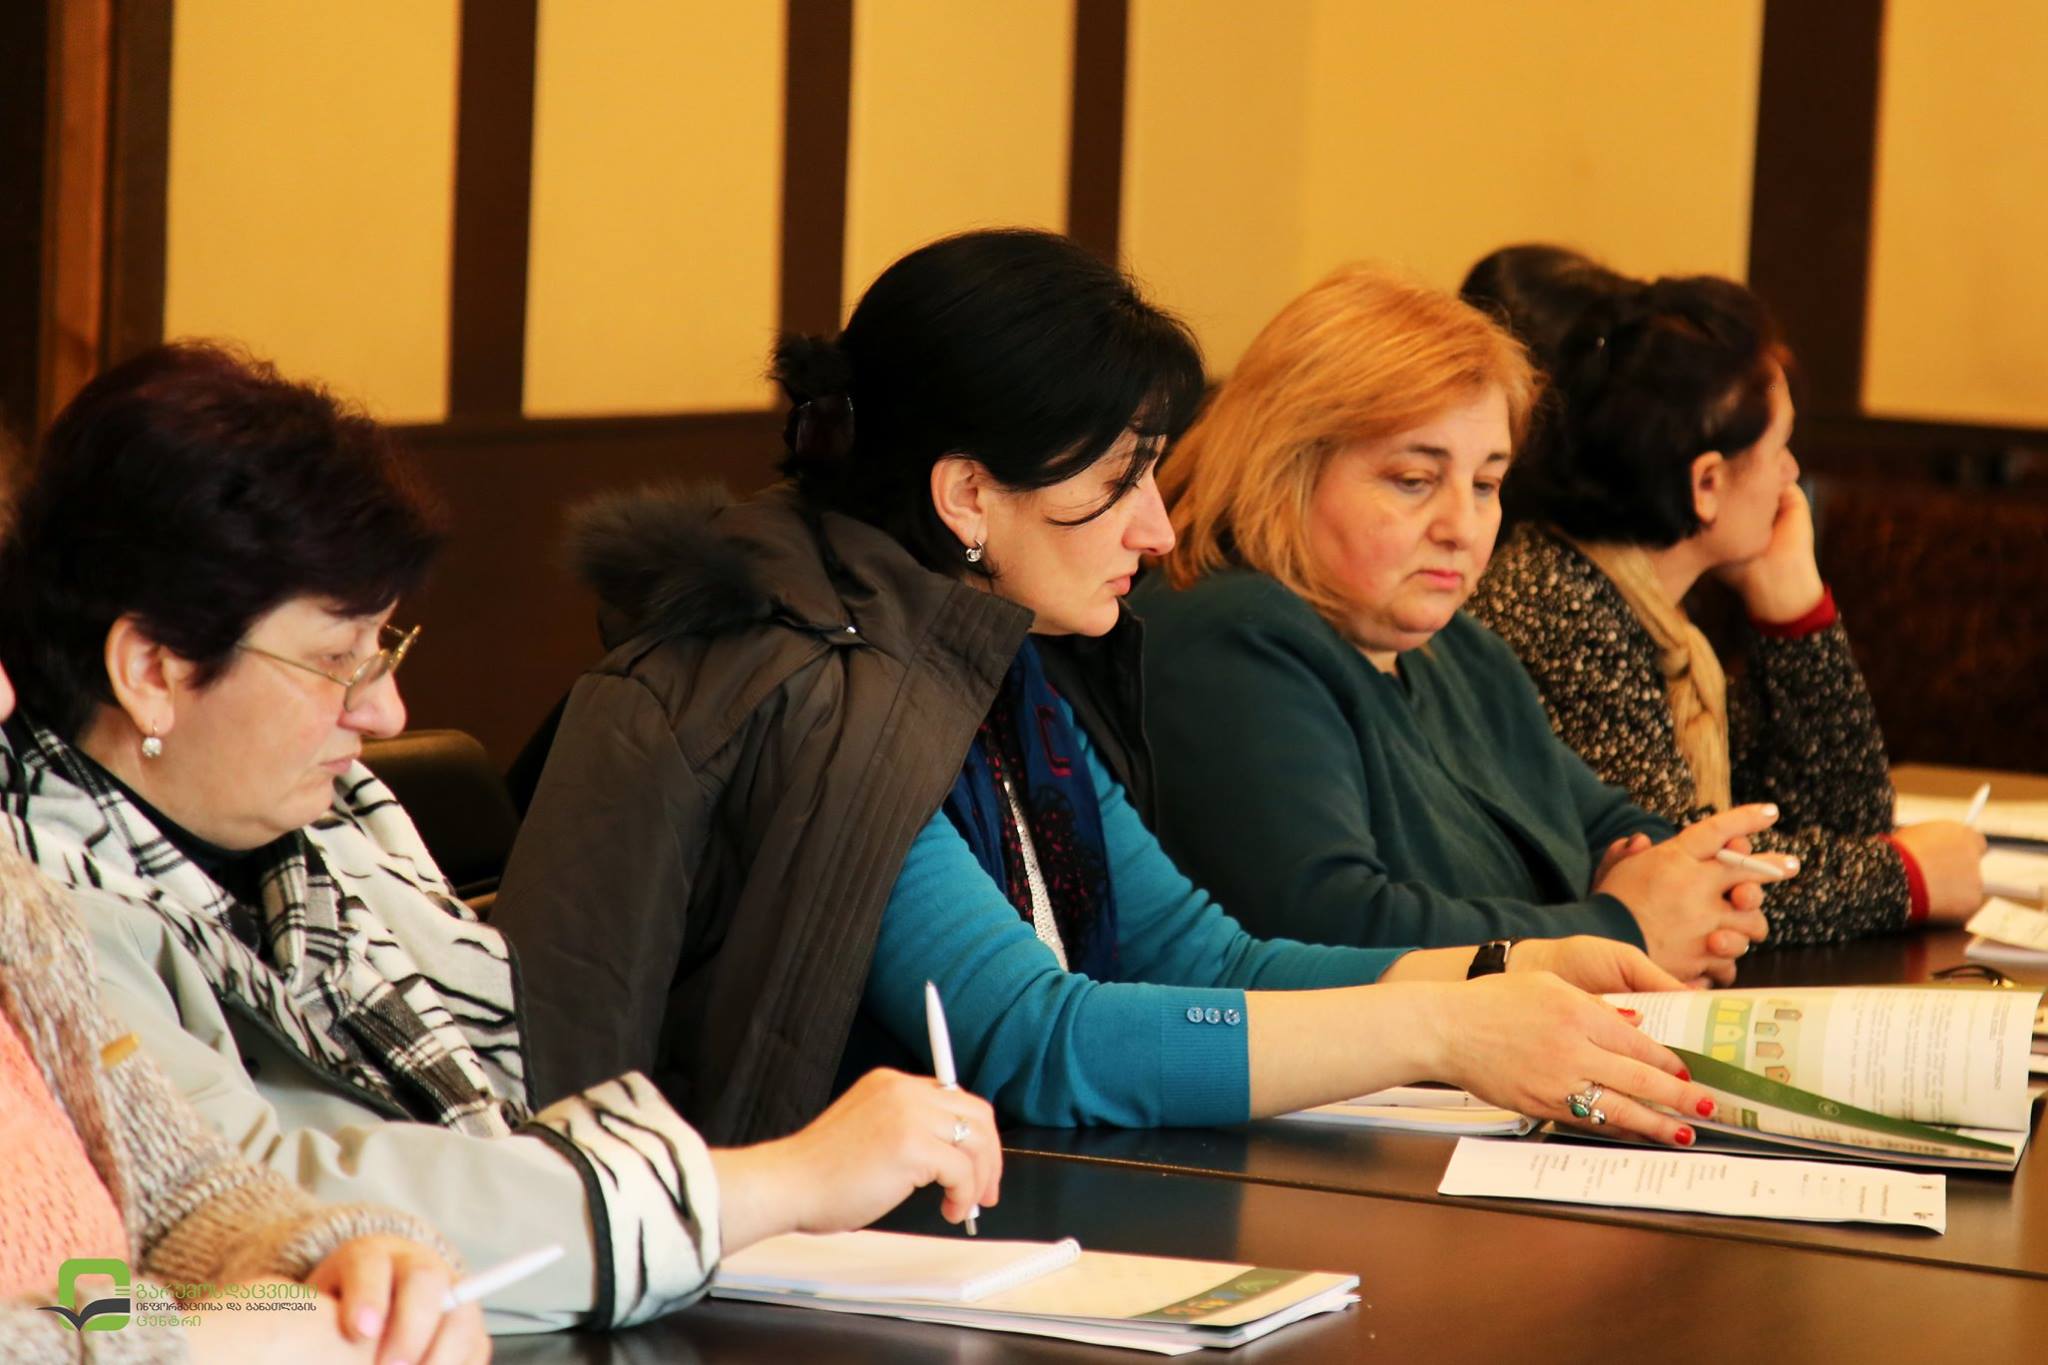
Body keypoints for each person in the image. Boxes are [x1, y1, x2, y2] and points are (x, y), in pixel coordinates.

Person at [496, 228, 1728, 1153]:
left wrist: (1509, 970)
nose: (1156, 526)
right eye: (1116, 480)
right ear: (967, 495)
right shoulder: (819, 686)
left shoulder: (984, 657)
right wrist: (1443, 1029)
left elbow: (1202, 958)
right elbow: (1034, 1037)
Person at [0, 343, 1002, 1337]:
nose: (385, 711)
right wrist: (778, 1182)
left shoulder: (332, 828)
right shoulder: (43, 900)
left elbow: (489, 1118)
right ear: (155, 670)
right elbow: (267, 1197)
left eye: (384, 647)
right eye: (336, 659)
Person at [1134, 264, 1785, 983]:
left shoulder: (1458, 650)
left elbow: (1611, 825)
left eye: (1485, 484)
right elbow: (1333, 927)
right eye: (1414, 481)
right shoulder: (1229, 637)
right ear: (1284, 471)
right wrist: (1627, 930)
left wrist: (1689, 891)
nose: (1462, 527)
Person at [1461, 256, 1985, 939]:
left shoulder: (1659, 617)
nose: (1791, 474)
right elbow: (1682, 884)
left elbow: (1843, 818)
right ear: (1706, 484)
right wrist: (1906, 875)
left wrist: (1792, 608)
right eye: (1780, 448)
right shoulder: (1559, 609)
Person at [0, 653, 489, 1365]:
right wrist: (192, 1346)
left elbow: (169, 1209)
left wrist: (332, 1261)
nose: (3, 695)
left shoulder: (13, 904)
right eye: (335, 657)